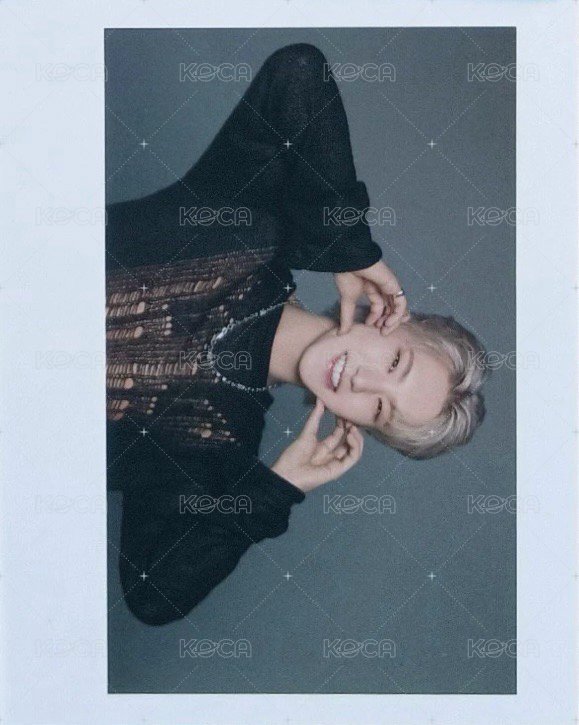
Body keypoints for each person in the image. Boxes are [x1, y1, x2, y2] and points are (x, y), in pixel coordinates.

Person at [106, 43, 489, 626]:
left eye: (378, 409)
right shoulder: (246, 227)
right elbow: (299, 72)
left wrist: (277, 487)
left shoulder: (217, 447)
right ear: (389, 319)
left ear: (356, 426)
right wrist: (348, 246)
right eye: (394, 364)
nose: (361, 383)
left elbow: (153, 596)